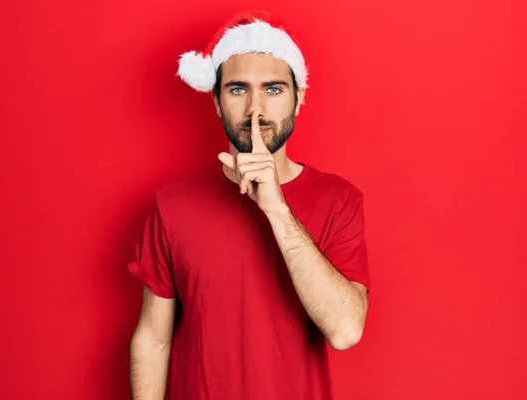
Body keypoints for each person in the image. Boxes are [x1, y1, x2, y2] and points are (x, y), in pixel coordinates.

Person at [128, 10, 371, 400]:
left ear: (299, 98)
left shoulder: (339, 200)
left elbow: (345, 331)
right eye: (238, 89)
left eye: (273, 89)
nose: (255, 109)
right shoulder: (172, 205)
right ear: (216, 100)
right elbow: (154, 339)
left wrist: (276, 208)